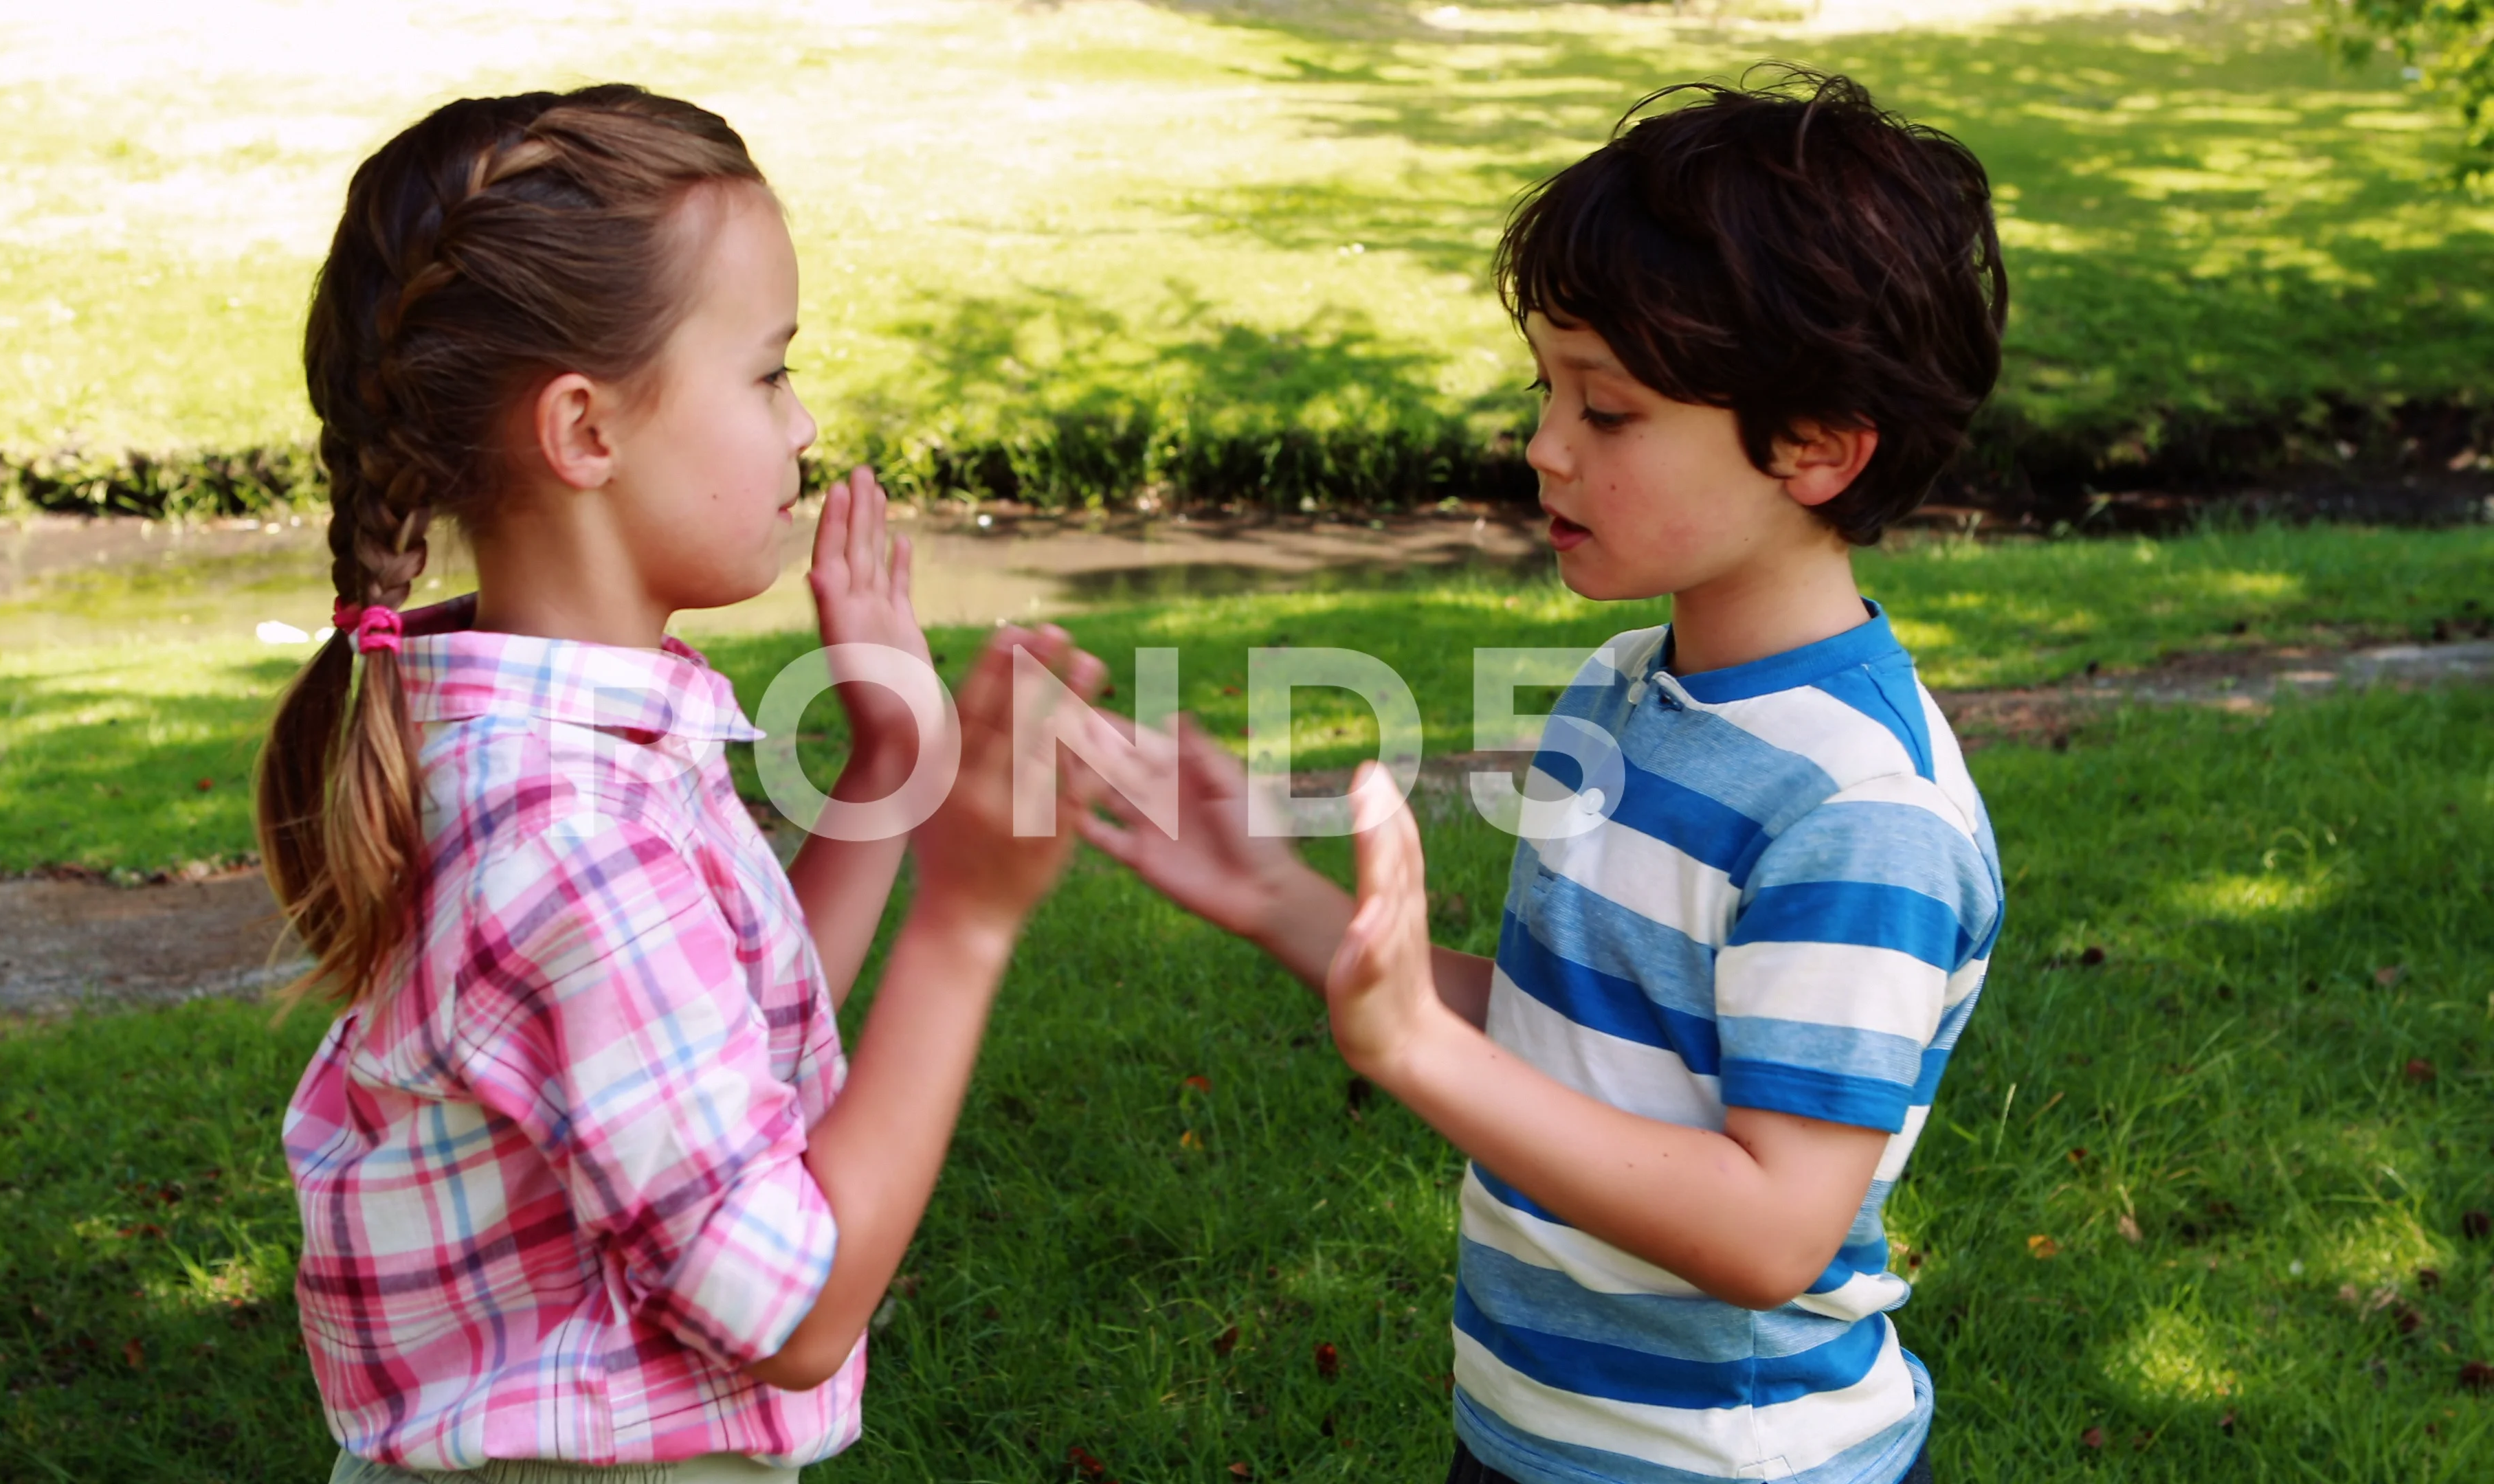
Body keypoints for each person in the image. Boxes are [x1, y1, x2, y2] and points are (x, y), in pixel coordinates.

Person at [1080, 71, 2007, 1484]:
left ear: (1813, 445)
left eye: (1609, 411)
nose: (1542, 448)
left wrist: (1416, 1055)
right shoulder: (1623, 689)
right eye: (1542, 389)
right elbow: (1565, 1040)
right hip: (1530, 1433)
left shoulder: (1857, 811)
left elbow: (1771, 1232)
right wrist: (1275, 897)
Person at [258, 85, 1102, 1481]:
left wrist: (888, 769)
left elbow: (724, 1053)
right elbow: (795, 1311)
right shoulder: (566, 835)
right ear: (585, 432)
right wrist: (966, 922)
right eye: (767, 371)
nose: (804, 422)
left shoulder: (553, 745)